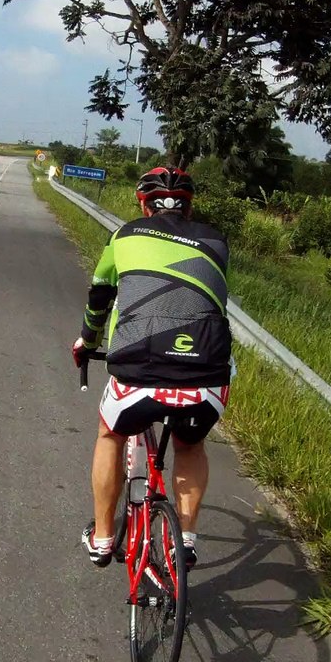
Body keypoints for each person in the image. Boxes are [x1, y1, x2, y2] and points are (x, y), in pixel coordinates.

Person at [72, 166, 234, 570]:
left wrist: (87, 341)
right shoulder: (217, 241)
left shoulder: (124, 235)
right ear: (188, 207)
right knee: (190, 444)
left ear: (144, 205)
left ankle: (104, 539)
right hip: (205, 369)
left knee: (110, 434)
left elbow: (100, 296)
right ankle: (186, 541)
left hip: (139, 364)